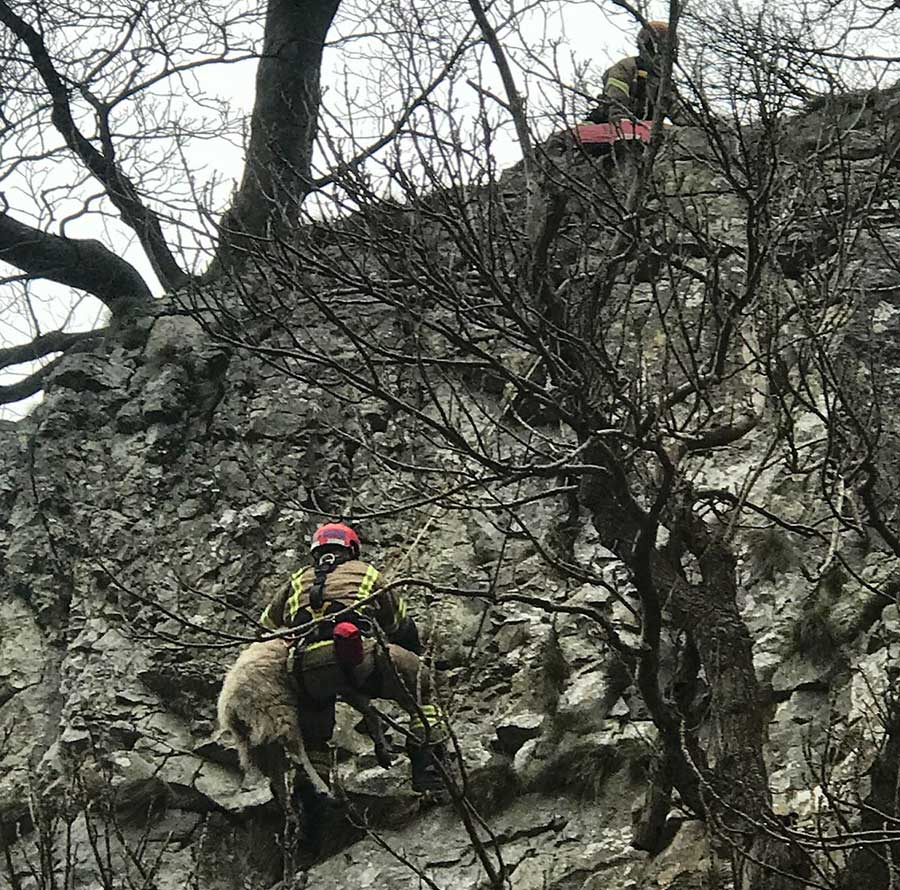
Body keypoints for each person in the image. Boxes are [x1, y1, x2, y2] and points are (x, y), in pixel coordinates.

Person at [259, 522, 448, 833]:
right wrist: (413, 659)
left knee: (315, 734)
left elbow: (266, 627)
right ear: (351, 549)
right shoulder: (365, 573)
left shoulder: (295, 581)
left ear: (316, 552)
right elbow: (400, 626)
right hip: (356, 655)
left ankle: (311, 809)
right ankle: (430, 770)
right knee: (422, 688)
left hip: (306, 669)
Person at [586, 21, 679, 125]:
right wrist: (623, 122)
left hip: (648, 132)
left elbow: (678, 111)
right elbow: (616, 102)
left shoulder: (664, 82)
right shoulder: (625, 68)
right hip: (611, 127)